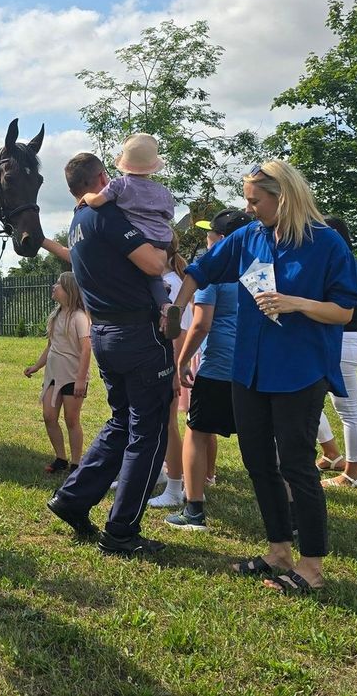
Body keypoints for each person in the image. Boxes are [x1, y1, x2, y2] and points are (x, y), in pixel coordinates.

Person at [169, 160, 357, 592]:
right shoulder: (248, 237)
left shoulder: (326, 244)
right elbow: (200, 270)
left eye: (256, 201)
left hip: (299, 371)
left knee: (296, 465)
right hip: (249, 370)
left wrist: (296, 303)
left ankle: (311, 567)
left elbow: (345, 309)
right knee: (258, 462)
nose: (249, 208)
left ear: (284, 196)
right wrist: (176, 308)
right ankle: (278, 550)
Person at [45, 152, 176, 557]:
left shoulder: (78, 221)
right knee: (147, 431)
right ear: (102, 177)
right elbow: (154, 264)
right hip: (137, 333)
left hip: (104, 332)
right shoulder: (108, 216)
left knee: (121, 422)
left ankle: (72, 498)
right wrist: (169, 253)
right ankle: (121, 531)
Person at [163, 208, 252, 531]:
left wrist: (183, 360)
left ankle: (194, 510)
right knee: (266, 442)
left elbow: (200, 324)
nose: (206, 238)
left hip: (219, 364)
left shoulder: (214, 273)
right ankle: (288, 514)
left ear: (223, 240)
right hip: (253, 365)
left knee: (197, 433)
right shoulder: (262, 267)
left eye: (211, 233)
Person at [78, 133, 175, 313]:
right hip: (162, 239)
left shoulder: (119, 185)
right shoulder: (163, 191)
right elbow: (168, 214)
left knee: (141, 271)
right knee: (153, 274)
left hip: (140, 238)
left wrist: (86, 196)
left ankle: (164, 305)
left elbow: (97, 201)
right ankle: (165, 302)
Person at [314, 216, 357, 489]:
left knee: (348, 410)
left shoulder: (341, 262)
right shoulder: (345, 260)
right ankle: (331, 455)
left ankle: (353, 473)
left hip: (342, 340)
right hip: (339, 340)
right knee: (308, 401)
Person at [24, 271, 92, 474]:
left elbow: (87, 348)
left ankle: (76, 463)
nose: (54, 287)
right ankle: (61, 458)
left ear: (69, 291)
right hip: (53, 376)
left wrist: (81, 379)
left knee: (72, 420)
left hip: (73, 377)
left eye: (59, 285)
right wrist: (37, 366)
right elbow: (51, 346)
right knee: (49, 416)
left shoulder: (80, 317)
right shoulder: (56, 315)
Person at [148, 230, 193, 508]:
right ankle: (156, 474)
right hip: (154, 361)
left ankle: (175, 488)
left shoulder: (174, 283)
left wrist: (176, 369)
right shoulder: (162, 281)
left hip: (168, 362)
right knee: (155, 423)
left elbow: (182, 330)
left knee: (168, 424)